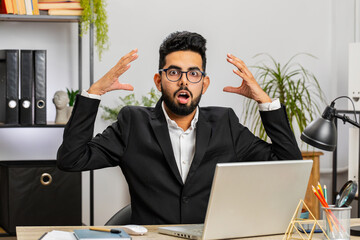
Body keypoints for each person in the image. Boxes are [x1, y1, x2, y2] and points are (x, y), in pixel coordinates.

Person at [57, 31, 302, 225]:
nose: (184, 80)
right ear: (158, 81)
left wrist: (265, 102)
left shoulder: (225, 124)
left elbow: (290, 163)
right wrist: (94, 94)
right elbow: (71, 159)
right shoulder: (133, 123)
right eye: (174, 72)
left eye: (194, 74)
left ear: (204, 84)